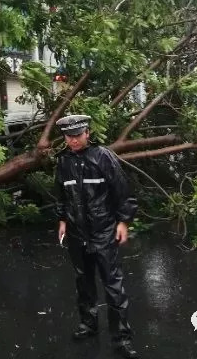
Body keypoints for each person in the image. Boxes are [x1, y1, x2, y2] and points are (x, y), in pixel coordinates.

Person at [54, 114, 139, 358]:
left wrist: (123, 221)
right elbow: (60, 193)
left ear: (87, 133)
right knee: (84, 281)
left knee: (113, 285)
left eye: (77, 136)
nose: (73, 141)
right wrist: (62, 220)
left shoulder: (103, 156)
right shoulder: (63, 162)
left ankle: (121, 338)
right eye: (69, 137)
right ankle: (88, 324)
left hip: (103, 230)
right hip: (76, 232)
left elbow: (122, 190)